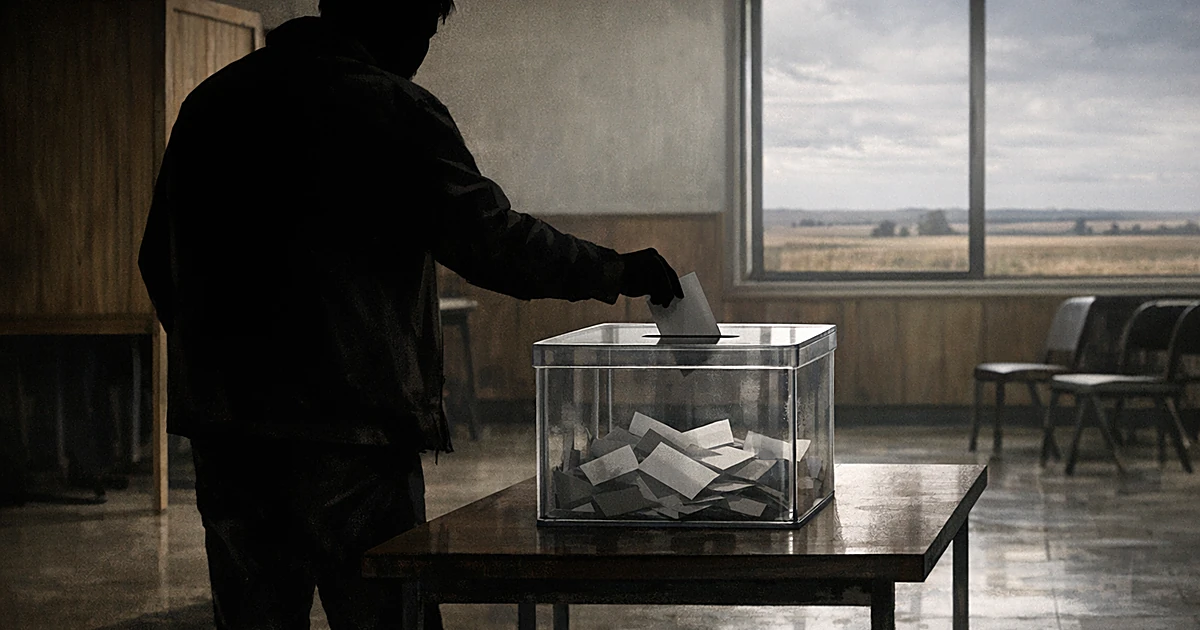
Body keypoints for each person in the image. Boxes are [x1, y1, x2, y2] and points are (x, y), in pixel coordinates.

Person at [137, 0, 683, 628]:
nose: (422, 52)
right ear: (395, 21)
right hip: (355, 432)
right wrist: (618, 271)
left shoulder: (212, 104)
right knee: (386, 615)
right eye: (423, 31)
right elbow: (494, 243)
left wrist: (223, 363)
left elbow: (159, 259)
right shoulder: (394, 109)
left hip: (230, 434)